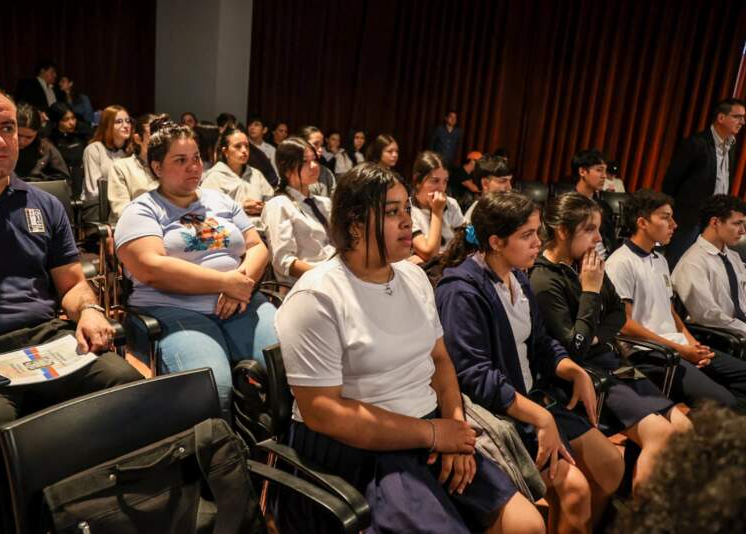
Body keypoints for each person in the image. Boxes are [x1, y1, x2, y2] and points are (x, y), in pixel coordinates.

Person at [274, 163, 545, 534]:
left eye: (406, 209)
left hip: (432, 428)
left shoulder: (414, 277)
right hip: (361, 452)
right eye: (392, 212)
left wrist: (455, 429)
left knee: (527, 525)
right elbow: (323, 411)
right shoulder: (316, 295)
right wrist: (434, 434)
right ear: (355, 224)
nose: (408, 221)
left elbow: (440, 360)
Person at [0, 79, 141, 534]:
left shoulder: (45, 204)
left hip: (42, 342)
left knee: (126, 382)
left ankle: (106, 514)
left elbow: (72, 284)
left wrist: (89, 310)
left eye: (8, 127)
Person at [437, 192, 625, 532]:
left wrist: (572, 368)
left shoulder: (518, 275)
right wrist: (539, 416)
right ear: (495, 241)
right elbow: (474, 375)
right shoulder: (461, 289)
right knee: (575, 490)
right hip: (497, 409)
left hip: (531, 395)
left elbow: (540, 343)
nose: (538, 243)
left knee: (611, 464)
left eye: (538, 232)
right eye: (527, 235)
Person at [115, 122, 276, 422]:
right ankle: (221, 463)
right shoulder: (142, 210)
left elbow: (257, 247)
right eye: (180, 160)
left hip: (239, 301)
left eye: (196, 158)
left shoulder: (221, 200)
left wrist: (242, 283)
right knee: (214, 389)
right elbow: (152, 268)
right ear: (156, 166)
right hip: (175, 309)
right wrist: (225, 282)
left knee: (289, 363)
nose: (193, 167)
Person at [530, 192, 692, 492]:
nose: (596, 240)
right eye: (589, 230)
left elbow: (617, 313)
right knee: (663, 437)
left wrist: (596, 336)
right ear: (563, 232)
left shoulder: (586, 262)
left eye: (598, 230)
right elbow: (574, 350)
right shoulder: (543, 279)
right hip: (583, 375)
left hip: (612, 363)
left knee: (684, 428)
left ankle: (630, 501)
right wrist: (590, 292)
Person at [606, 189, 746, 409]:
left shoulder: (659, 259)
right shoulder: (620, 262)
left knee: (742, 377)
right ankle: (685, 437)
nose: (674, 224)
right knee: (721, 400)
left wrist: (693, 344)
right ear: (642, 222)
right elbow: (624, 324)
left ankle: (697, 436)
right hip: (645, 354)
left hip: (674, 346)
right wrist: (681, 350)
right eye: (665, 217)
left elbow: (669, 310)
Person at [611, 403, 746, 534]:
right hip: (616, 383)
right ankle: (642, 508)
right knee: (662, 434)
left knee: (685, 428)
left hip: (639, 384)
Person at [662, 98, 746, 268]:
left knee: (702, 265)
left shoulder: (732, 147)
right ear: (721, 118)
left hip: (714, 219)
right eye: (737, 117)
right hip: (689, 218)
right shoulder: (696, 143)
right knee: (676, 262)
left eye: (743, 118)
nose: (742, 122)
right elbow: (671, 181)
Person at [261, 137, 334, 285]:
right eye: (305, 162)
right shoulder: (279, 205)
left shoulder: (324, 203)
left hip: (335, 272)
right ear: (287, 170)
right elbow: (283, 261)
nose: (314, 166)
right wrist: (324, 277)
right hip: (307, 282)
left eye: (315, 159)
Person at [673, 194, 746, 335]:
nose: (742, 231)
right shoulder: (693, 262)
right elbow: (707, 314)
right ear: (715, 222)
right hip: (715, 336)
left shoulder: (733, 257)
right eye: (737, 224)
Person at [200, 126, 274, 231]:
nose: (244, 150)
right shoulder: (215, 177)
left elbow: (271, 201)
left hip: (262, 231)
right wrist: (241, 206)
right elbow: (209, 211)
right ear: (225, 152)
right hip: (230, 234)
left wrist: (264, 207)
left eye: (247, 146)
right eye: (238, 146)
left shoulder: (256, 174)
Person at [410, 151, 465, 263]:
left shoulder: (451, 204)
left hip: (451, 265)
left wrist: (445, 255)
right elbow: (430, 254)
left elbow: (466, 244)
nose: (441, 188)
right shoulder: (408, 208)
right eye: (435, 181)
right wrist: (437, 211)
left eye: (445, 182)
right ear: (418, 182)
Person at [107, 113, 161, 224]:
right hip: (134, 227)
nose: (159, 140)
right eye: (153, 134)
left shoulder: (169, 166)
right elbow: (122, 210)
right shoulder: (121, 167)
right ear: (137, 139)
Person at [81, 105, 132, 220]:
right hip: (99, 209)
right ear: (107, 126)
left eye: (128, 121)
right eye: (119, 122)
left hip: (125, 206)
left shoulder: (129, 152)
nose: (126, 126)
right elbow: (93, 191)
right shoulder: (94, 149)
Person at [572, 149, 618, 259]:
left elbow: (611, 243)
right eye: (599, 170)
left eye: (605, 171)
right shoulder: (568, 206)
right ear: (582, 171)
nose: (604, 176)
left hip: (604, 262)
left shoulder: (604, 207)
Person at [14, 102, 70, 181]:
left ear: (37, 133)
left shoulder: (45, 147)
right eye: (18, 135)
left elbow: (64, 180)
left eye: (29, 137)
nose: (22, 141)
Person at [48, 102, 90, 198]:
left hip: (81, 183)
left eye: (73, 118)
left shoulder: (82, 136)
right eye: (66, 119)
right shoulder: (50, 141)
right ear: (56, 121)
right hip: (61, 186)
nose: (72, 123)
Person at [462, 155, 514, 222]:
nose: (509, 187)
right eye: (503, 181)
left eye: (510, 181)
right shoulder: (476, 215)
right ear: (485, 183)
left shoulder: (501, 210)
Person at [299, 125, 337, 197]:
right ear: (302, 144)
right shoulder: (293, 172)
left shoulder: (326, 172)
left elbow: (334, 197)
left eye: (321, 145)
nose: (320, 150)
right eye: (316, 144)